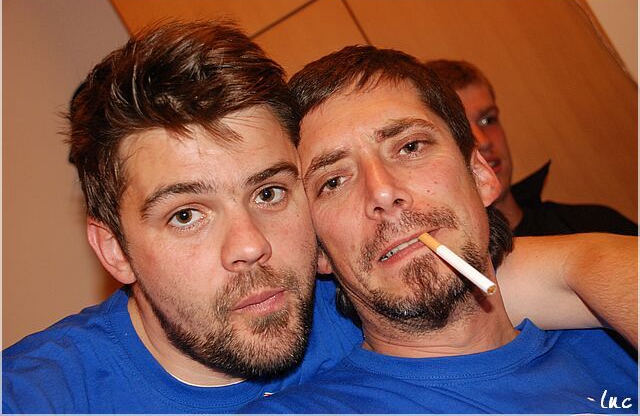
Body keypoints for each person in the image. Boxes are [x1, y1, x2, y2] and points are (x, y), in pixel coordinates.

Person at [3, 21, 636, 414]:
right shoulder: (41, 395)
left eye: (269, 194)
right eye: (188, 214)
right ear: (114, 250)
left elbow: (570, 267)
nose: (250, 246)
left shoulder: (342, 299)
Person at [240, 46, 637, 413]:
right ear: (317, 251)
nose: (382, 192)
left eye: (410, 147)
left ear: (481, 175)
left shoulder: (616, 336)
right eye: (334, 181)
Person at [424, 59, 637, 237]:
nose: (484, 141)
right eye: (461, 130)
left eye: (488, 120)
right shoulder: (447, 268)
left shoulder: (594, 226)